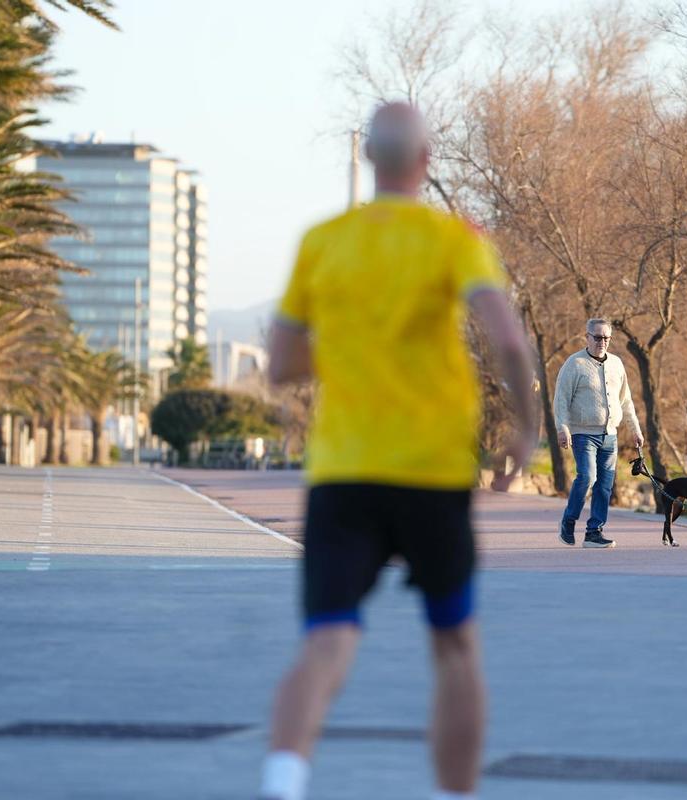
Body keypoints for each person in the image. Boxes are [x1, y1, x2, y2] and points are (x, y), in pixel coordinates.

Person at [260, 102, 538, 800]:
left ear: (368, 161)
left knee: (327, 642)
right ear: (425, 162)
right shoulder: (453, 239)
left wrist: (355, 349)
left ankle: (283, 781)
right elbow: (506, 337)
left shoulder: (322, 241)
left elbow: (282, 363)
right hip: (431, 473)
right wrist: (525, 431)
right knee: (454, 645)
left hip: (344, 474)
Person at [552, 318, 644, 548]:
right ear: (587, 337)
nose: (602, 342)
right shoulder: (574, 364)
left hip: (610, 435)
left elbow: (626, 400)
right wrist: (562, 428)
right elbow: (560, 400)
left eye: (606, 338)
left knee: (604, 485)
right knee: (587, 476)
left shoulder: (616, 364)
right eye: (597, 337)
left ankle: (594, 532)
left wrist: (635, 429)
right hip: (583, 434)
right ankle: (569, 520)